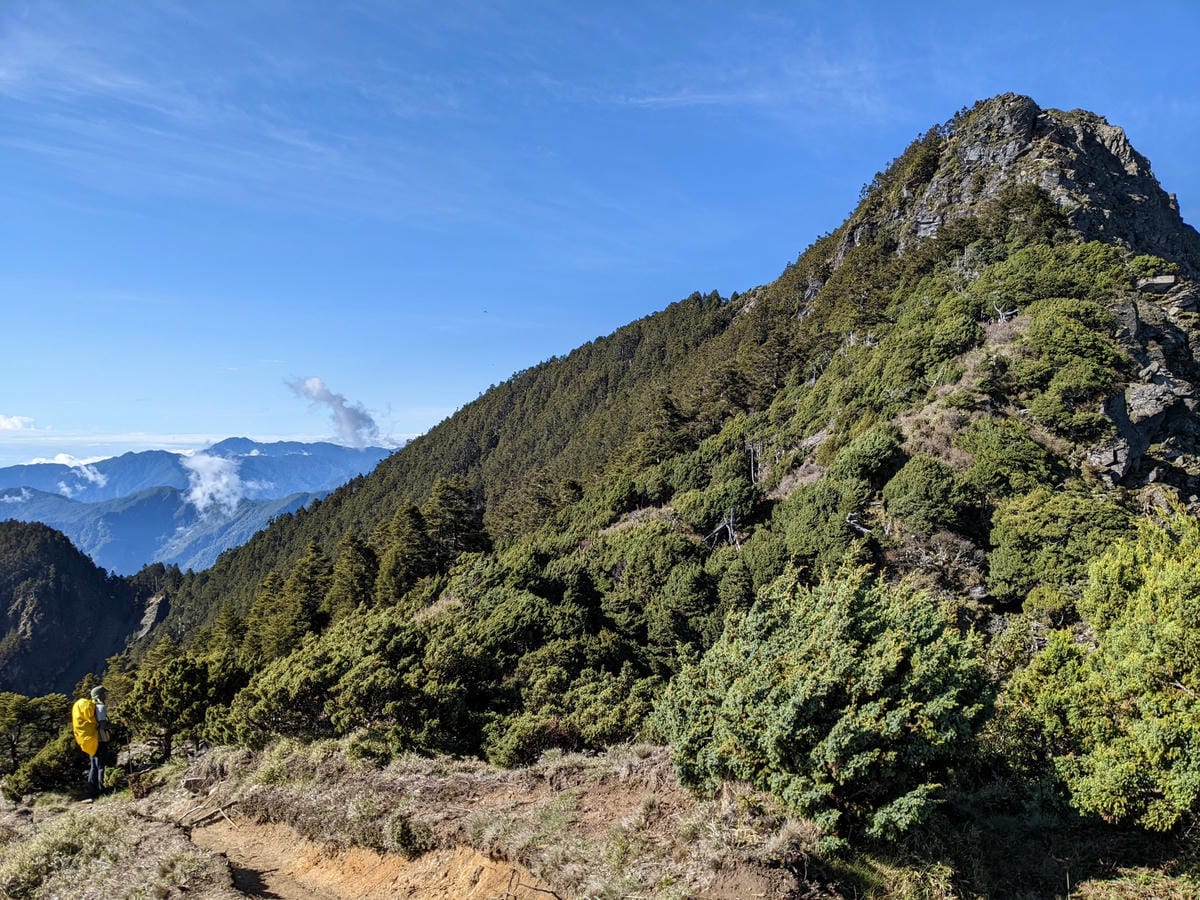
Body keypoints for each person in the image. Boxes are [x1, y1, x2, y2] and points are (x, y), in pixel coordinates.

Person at [71, 685, 111, 800]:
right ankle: (102, 790)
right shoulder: (100, 707)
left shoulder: (89, 708)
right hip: (100, 740)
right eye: (104, 694)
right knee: (101, 765)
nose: (106, 696)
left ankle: (91, 791)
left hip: (91, 741)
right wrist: (113, 725)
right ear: (100, 695)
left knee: (93, 765)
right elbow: (103, 725)